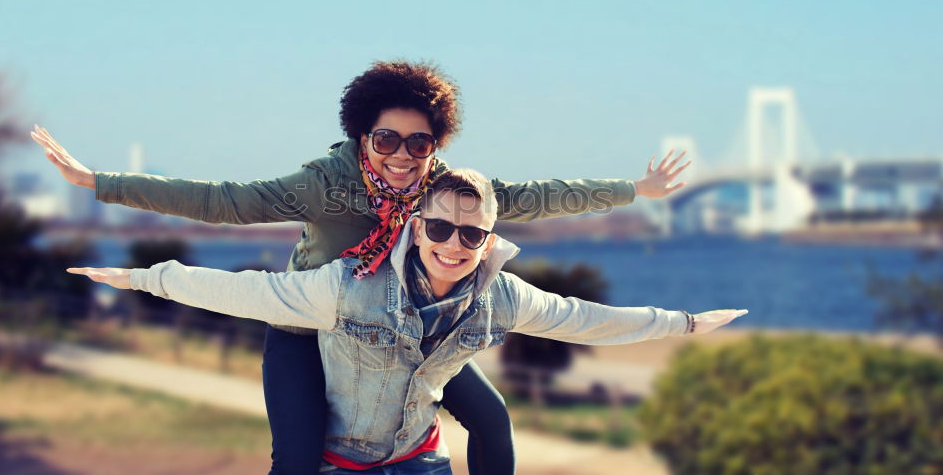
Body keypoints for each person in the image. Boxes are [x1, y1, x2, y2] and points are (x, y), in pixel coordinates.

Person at [34, 60, 691, 475]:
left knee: (492, 421)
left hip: (399, 325)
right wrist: (99, 182)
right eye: (387, 139)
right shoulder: (325, 181)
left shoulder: (446, 188)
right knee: (296, 458)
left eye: (419, 142)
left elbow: (539, 195)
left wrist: (636, 188)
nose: (403, 155)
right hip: (312, 318)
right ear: (361, 137)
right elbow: (225, 202)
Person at [68, 168, 747, 475]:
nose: (455, 243)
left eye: (472, 234)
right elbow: (245, 289)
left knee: (493, 416)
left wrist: (683, 322)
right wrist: (142, 277)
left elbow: (586, 319)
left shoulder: (500, 295)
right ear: (416, 226)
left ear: (489, 236)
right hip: (338, 461)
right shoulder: (346, 286)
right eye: (442, 228)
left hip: (419, 462)